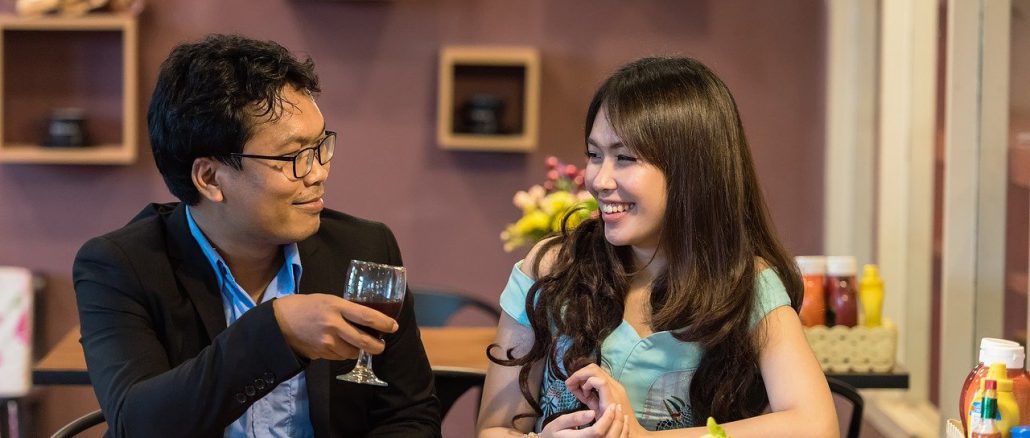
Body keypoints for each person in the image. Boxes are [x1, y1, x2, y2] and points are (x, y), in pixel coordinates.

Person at [73, 34, 441, 437]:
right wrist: (276, 332)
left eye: (320, 146)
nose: (319, 172)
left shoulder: (364, 248)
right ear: (210, 178)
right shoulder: (120, 266)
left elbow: (410, 417)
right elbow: (138, 424)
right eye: (293, 156)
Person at [477, 57, 838, 437]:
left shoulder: (746, 283)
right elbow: (493, 429)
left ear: (693, 171)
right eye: (595, 155)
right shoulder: (551, 268)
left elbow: (816, 426)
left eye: (624, 158)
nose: (599, 180)